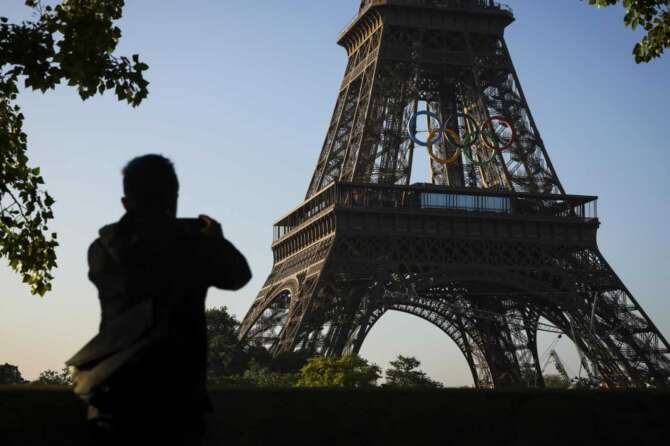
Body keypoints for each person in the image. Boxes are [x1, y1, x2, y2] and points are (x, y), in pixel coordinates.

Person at [85, 154, 252, 445]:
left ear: (126, 202)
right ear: (173, 199)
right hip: (177, 405)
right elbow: (239, 276)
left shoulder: (101, 249)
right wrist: (216, 241)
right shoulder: (193, 246)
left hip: (115, 401)